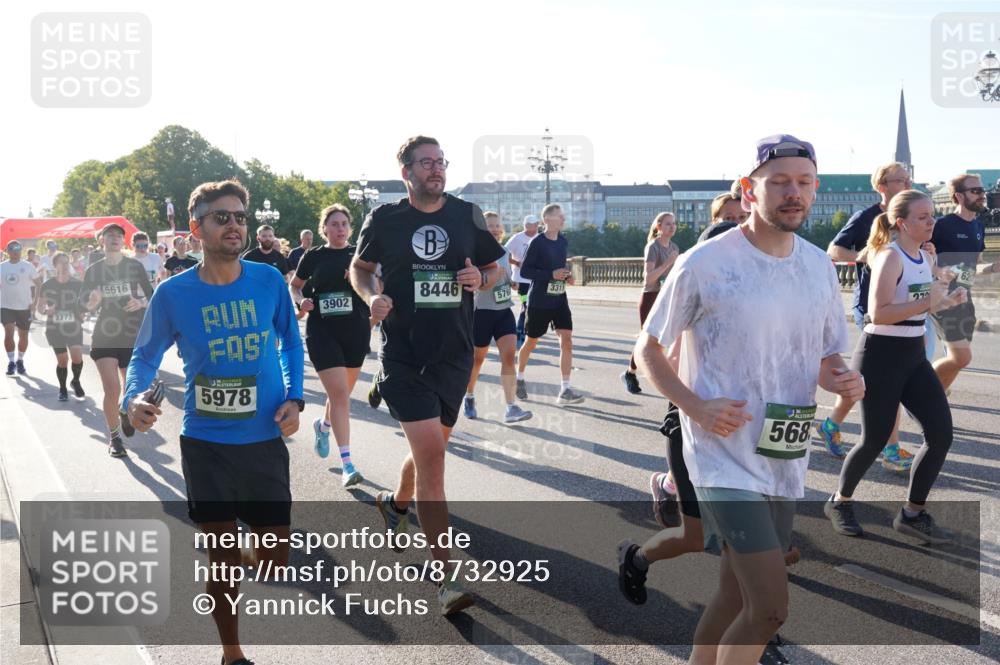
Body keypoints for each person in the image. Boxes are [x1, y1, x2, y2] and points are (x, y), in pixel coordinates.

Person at [629, 134, 862, 664]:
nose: (792, 192)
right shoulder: (705, 263)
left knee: (735, 594)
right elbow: (648, 348)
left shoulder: (818, 267)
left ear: (815, 189)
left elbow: (827, 358)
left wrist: (845, 379)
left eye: (803, 182)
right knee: (769, 610)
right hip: (723, 455)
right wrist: (696, 406)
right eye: (778, 181)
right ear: (748, 190)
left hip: (785, 449)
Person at [124, 179, 304, 665]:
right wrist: (133, 397)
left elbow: (290, 341)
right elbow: (144, 357)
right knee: (222, 559)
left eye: (240, 217)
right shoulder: (172, 293)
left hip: (264, 438)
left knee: (273, 560)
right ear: (196, 227)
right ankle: (232, 653)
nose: (234, 225)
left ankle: (235, 555)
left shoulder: (267, 280)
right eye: (221, 217)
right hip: (205, 441)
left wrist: (295, 397)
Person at [350, 135, 503, 615]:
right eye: (426, 163)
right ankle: (448, 579)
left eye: (441, 162)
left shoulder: (466, 214)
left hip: (454, 356)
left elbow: (496, 268)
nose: (436, 170)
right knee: (434, 464)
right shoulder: (386, 218)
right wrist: (369, 296)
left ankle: (395, 504)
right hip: (404, 358)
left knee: (431, 449)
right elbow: (360, 268)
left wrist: (482, 278)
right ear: (407, 173)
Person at [825, 190, 966, 545]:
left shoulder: (924, 255)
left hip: (913, 353)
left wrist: (946, 300)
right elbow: (880, 311)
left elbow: (921, 306)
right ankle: (839, 502)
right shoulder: (890, 256)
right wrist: (928, 299)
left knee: (941, 434)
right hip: (880, 353)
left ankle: (912, 514)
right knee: (874, 439)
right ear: (901, 222)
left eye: (932, 215)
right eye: (923, 217)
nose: (932, 222)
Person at [820, 162, 920, 471]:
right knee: (888, 379)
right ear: (882, 186)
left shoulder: (912, 216)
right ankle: (891, 449)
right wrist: (865, 256)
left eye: (908, 179)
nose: (906, 183)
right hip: (872, 307)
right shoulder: (867, 217)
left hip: (906, 306)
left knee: (872, 379)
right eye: (899, 180)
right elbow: (834, 249)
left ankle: (832, 423)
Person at [290, 203, 371, 487]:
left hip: (356, 330)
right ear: (324, 228)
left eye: (344, 224)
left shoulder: (360, 255)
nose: (339, 229)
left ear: (350, 229)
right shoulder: (313, 256)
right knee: (340, 396)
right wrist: (301, 301)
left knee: (341, 395)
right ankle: (348, 463)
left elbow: (380, 286)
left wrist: (361, 281)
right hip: (322, 331)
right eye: (334, 224)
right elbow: (295, 285)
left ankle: (323, 427)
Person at [82, 224, 154, 457]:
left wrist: (141, 303)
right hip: (104, 333)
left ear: (124, 242)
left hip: (131, 332)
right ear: (102, 240)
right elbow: (83, 302)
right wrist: (91, 301)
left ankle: (125, 410)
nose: (115, 238)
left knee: (130, 389)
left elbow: (152, 295)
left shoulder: (134, 266)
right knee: (111, 389)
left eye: (119, 236)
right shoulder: (94, 270)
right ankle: (114, 439)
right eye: (110, 235)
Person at [930, 173, 1000, 392]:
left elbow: (975, 266)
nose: (982, 195)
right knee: (961, 357)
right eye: (975, 191)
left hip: (964, 298)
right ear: (959, 196)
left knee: (958, 361)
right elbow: (919, 259)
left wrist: (993, 268)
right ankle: (919, 386)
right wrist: (940, 271)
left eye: (982, 191)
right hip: (942, 298)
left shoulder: (978, 227)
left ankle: (933, 403)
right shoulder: (941, 225)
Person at [463, 211, 533, 424]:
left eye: (497, 225)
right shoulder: (473, 252)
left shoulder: (503, 252)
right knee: (477, 359)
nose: (494, 228)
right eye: (489, 225)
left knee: (509, 357)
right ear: (482, 229)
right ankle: (469, 396)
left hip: (503, 312)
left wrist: (511, 283)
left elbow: (507, 277)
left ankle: (511, 408)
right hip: (481, 313)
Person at [515, 204, 585, 405]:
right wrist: (549, 275)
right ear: (547, 220)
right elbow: (525, 272)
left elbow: (559, 267)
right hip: (539, 301)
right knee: (531, 342)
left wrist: (567, 276)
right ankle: (519, 378)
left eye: (564, 216)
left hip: (559, 298)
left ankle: (565, 389)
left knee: (567, 339)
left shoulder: (562, 241)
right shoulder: (537, 242)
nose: (564, 219)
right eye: (559, 216)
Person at [622, 212, 679, 394]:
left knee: (669, 337)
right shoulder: (653, 247)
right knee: (646, 338)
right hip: (651, 296)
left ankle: (673, 376)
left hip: (666, 297)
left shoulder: (675, 247)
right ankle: (630, 373)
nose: (672, 227)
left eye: (674, 224)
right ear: (658, 227)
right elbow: (648, 278)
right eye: (668, 224)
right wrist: (668, 263)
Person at [38, 252, 86, 400]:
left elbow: (84, 304)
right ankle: (63, 389)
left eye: (67, 262)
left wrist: (83, 312)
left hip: (74, 325)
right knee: (63, 360)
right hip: (55, 327)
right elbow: (39, 308)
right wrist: (47, 310)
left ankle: (75, 381)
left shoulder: (77, 284)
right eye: (61, 263)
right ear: (55, 265)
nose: (65, 266)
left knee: (77, 357)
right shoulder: (47, 285)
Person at [1, 240, 37, 375]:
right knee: (8, 334)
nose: (15, 252)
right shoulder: (2, 267)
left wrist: (35, 302)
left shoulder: (28, 266)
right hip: (6, 306)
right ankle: (11, 362)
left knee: (23, 336)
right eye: (12, 249)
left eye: (18, 249)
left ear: (20, 250)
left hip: (24, 307)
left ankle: (20, 360)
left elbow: (38, 283)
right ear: (7, 251)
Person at [505, 214, 540, 348]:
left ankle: (527, 331)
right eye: (532, 225)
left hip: (536, 278)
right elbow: (503, 254)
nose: (535, 227)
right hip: (520, 279)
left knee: (532, 306)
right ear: (526, 225)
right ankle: (520, 334)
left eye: (537, 224)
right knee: (526, 304)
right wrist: (516, 262)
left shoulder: (539, 238)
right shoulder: (517, 238)